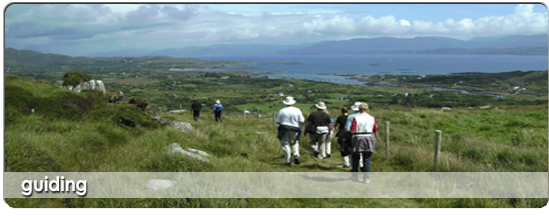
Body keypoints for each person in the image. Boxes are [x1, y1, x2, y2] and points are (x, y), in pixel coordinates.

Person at [349, 103, 378, 184]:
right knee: (367, 159)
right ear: (368, 110)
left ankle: (355, 176)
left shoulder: (356, 118)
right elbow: (375, 129)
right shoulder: (372, 118)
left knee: (355, 157)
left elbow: (352, 129)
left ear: (359, 110)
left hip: (358, 137)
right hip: (369, 136)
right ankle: (366, 178)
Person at [276, 96, 305, 166]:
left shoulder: (282, 111)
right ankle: (296, 155)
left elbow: (277, 122)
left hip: (284, 128)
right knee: (294, 142)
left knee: (285, 144)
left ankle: (288, 160)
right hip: (295, 128)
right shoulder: (297, 110)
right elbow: (302, 121)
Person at [345, 102, 364, 170]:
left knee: (354, 152)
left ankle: (354, 167)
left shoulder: (351, 117)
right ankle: (362, 165)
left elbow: (347, 128)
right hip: (365, 135)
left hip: (354, 135)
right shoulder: (367, 116)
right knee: (362, 151)